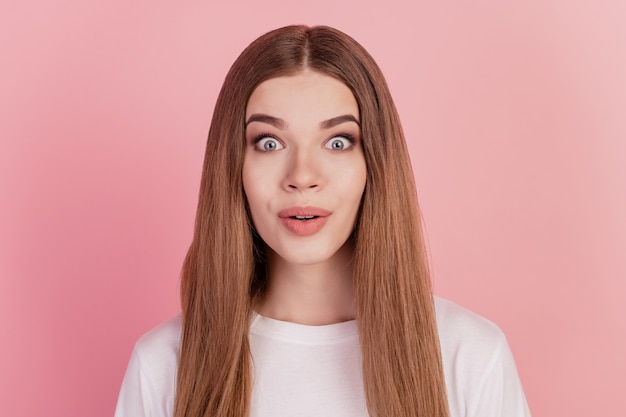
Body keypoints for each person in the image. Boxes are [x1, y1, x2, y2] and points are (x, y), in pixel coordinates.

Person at [114, 25, 531, 417]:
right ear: (234, 167)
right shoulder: (163, 366)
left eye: (337, 142)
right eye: (269, 142)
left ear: (375, 164)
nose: (302, 176)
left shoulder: (470, 357)